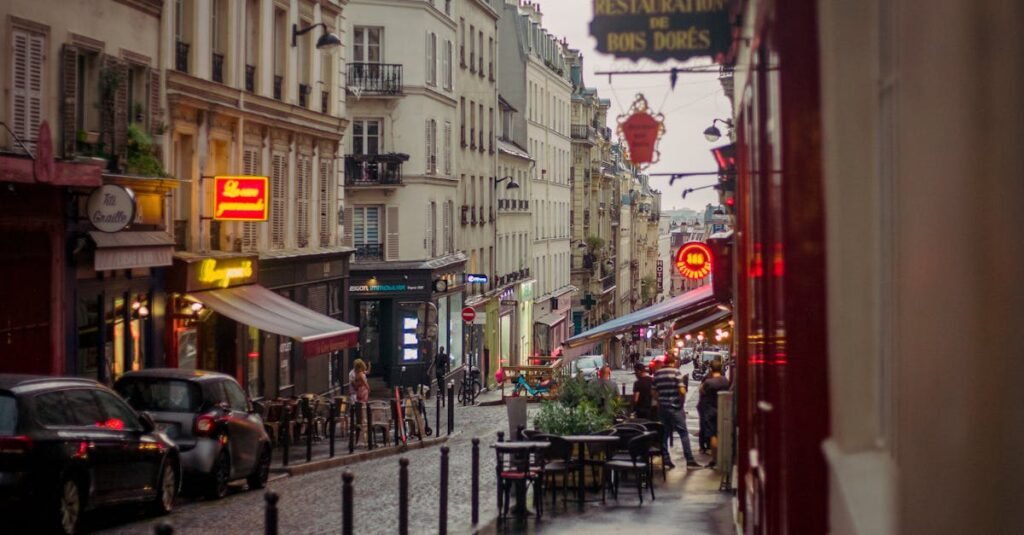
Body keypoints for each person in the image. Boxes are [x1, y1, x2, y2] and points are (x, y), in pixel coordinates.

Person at [653, 355, 699, 468]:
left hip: (663, 408)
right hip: (675, 408)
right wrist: (680, 404)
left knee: (664, 434)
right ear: (673, 362)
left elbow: (653, 391)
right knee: (683, 433)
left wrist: (659, 401)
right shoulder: (676, 372)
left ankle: (666, 458)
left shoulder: (657, 374)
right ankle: (689, 459)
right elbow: (682, 390)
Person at [699, 359, 731, 468]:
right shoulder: (725, 381)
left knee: (713, 435)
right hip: (724, 410)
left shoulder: (708, 382)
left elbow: (702, 391)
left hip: (710, 411)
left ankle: (715, 459)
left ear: (711, 369)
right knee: (723, 434)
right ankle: (724, 457)